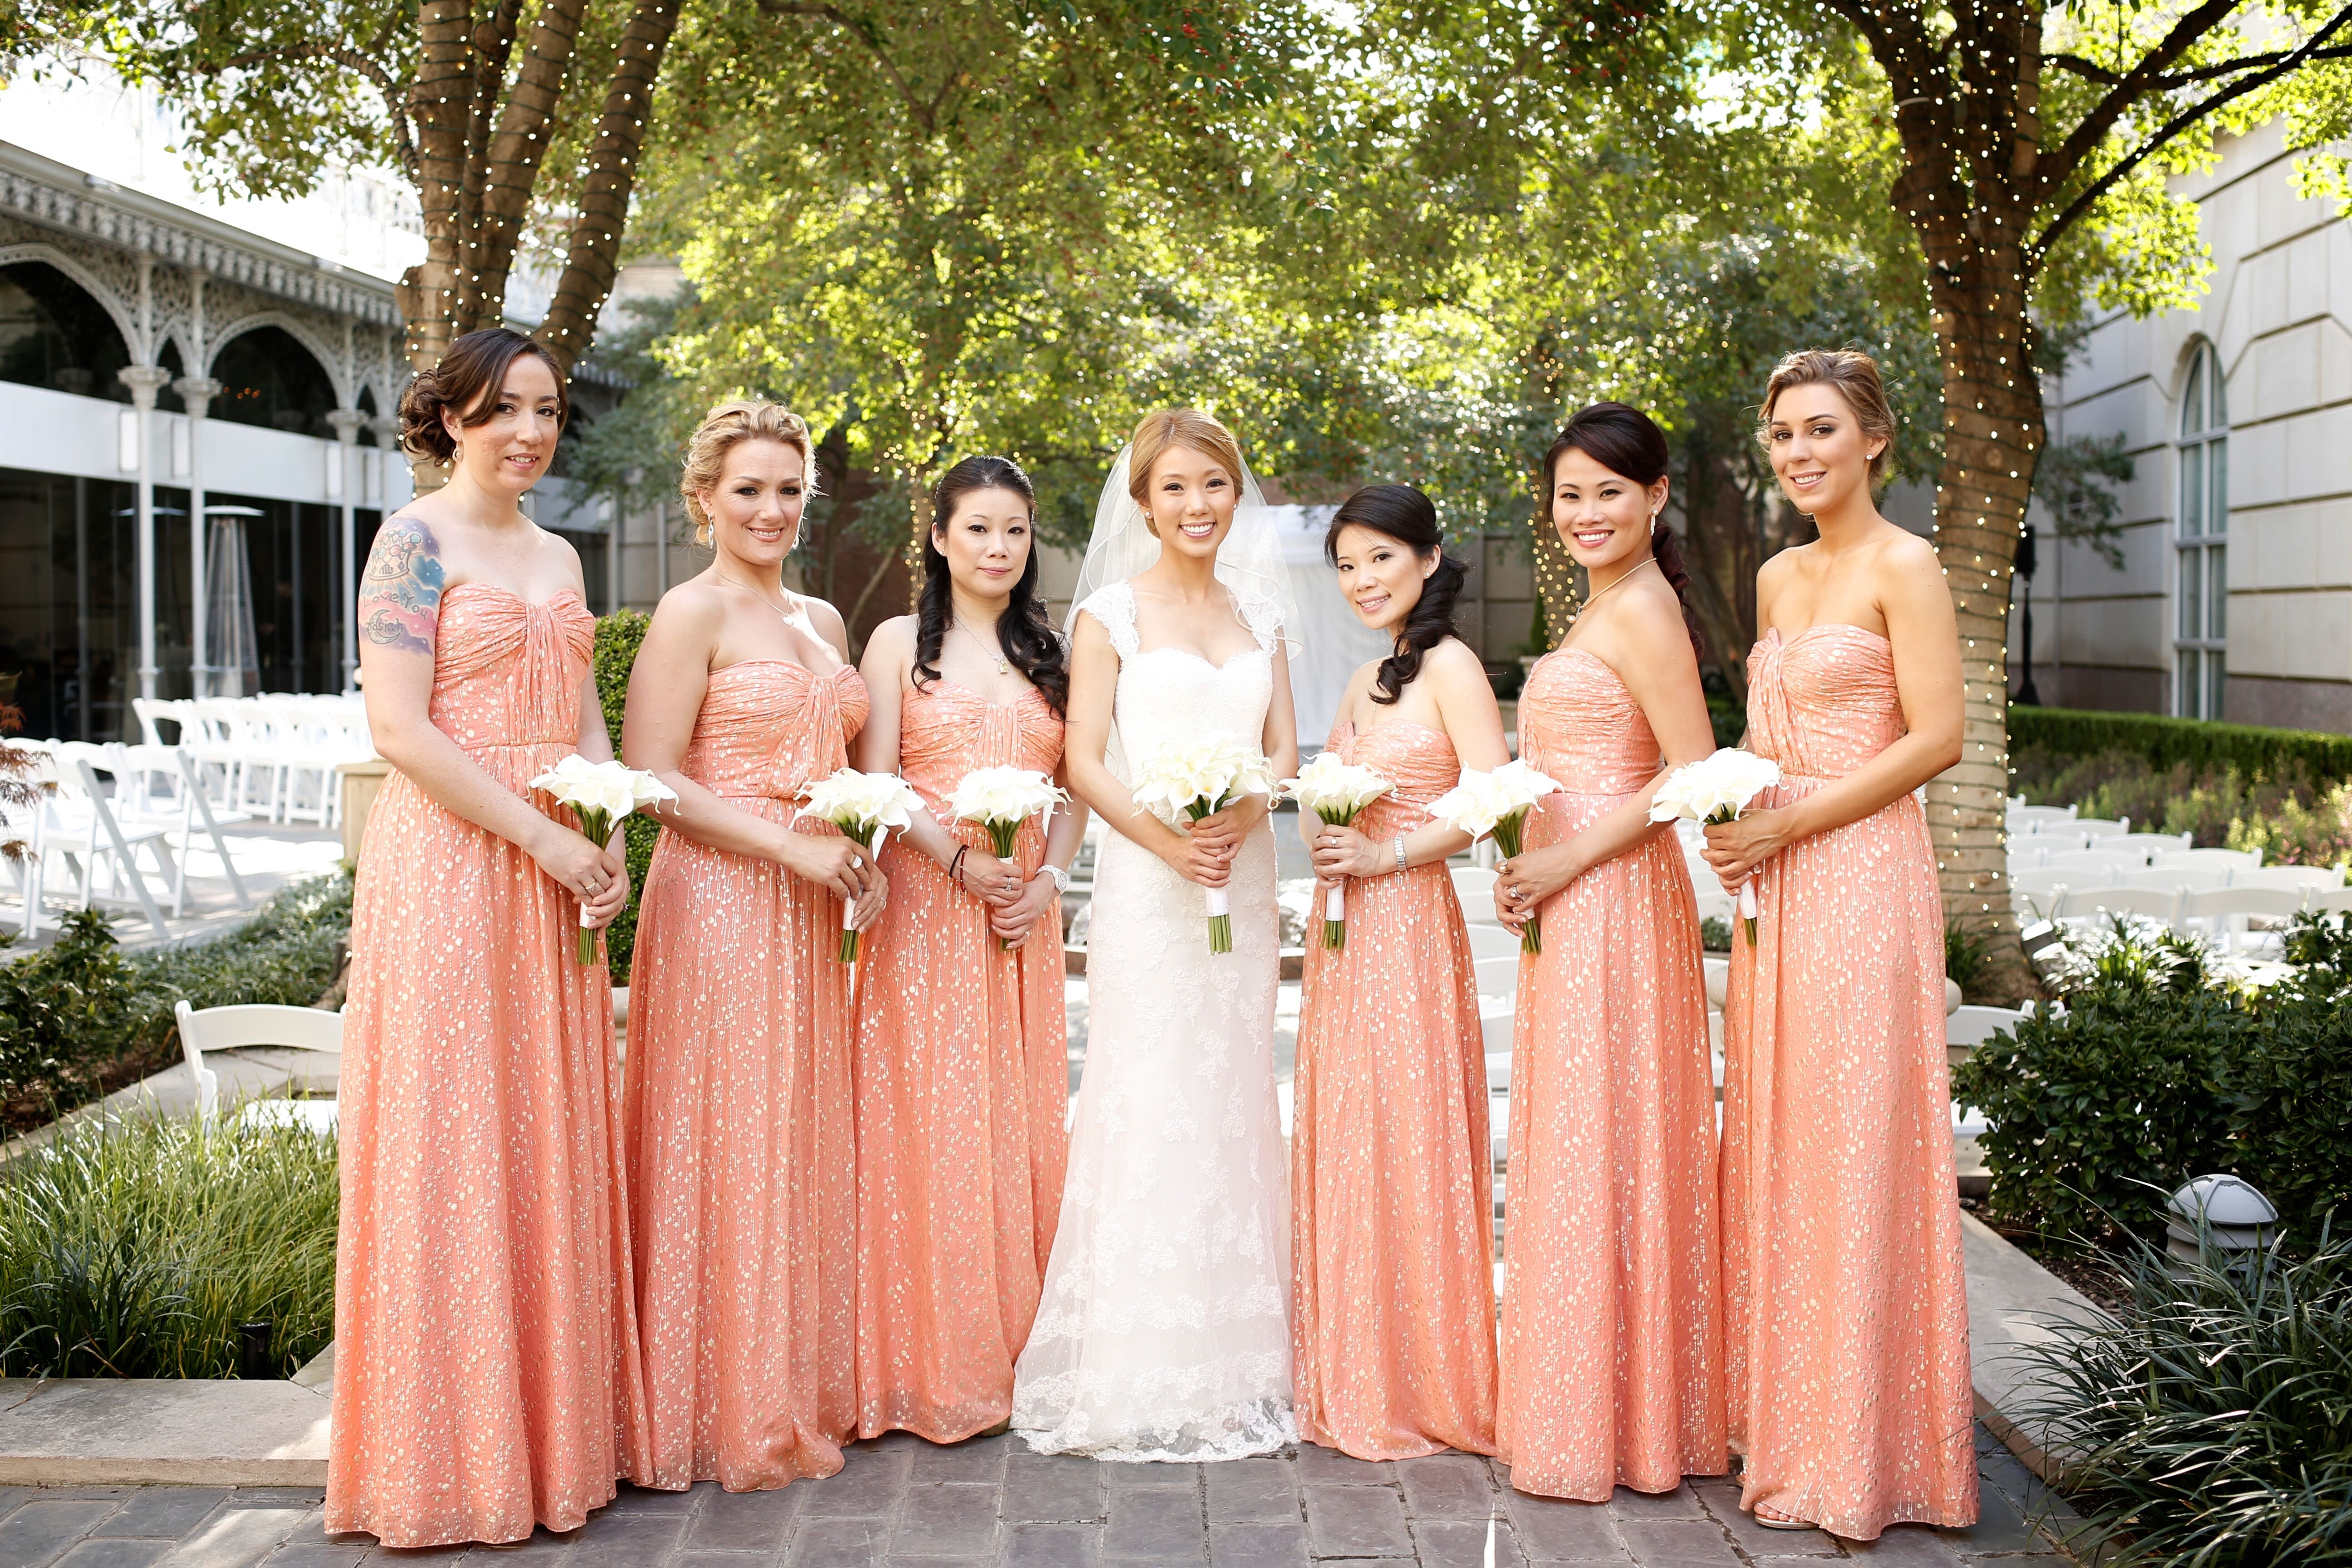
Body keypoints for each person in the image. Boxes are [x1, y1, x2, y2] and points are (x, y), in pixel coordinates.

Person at [329, 326, 648, 1547]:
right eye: (504, 408)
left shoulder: (561, 554)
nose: (530, 430)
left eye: (550, 410)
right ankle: (443, 1463)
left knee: (543, 1133)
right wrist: (547, 838)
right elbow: (401, 732)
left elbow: (586, 719)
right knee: (453, 1137)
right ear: (450, 416)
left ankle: (551, 1444)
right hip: (457, 868)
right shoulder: (410, 544)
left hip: (559, 868)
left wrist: (609, 826)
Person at [1700, 349, 1977, 1539]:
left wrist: (1793, 823)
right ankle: (1792, 1420)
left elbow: (1941, 738)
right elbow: (1768, 732)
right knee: (1786, 1131)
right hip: (1777, 881)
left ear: (1874, 437)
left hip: (1863, 871)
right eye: (1781, 434)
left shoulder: (1906, 566)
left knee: (1859, 1136)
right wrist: (1730, 815)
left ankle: (1871, 1450)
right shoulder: (1773, 577)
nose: (1799, 451)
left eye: (1821, 429)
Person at [1010, 408, 1301, 1461]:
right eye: (1173, 488)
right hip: (1148, 878)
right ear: (1142, 503)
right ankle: (1134, 1360)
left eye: (1213, 485)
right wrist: (1166, 844)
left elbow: (1282, 746)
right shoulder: (1108, 616)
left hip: (1243, 869)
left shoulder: (1261, 612)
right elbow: (1083, 759)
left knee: (1231, 1084)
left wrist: (1247, 806)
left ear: (1236, 494)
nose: (1195, 506)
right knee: (1150, 1088)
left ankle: (1241, 1354)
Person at [619, 400, 884, 1492]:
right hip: (722, 904)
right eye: (747, 490)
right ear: (703, 500)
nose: (770, 509)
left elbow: (845, 763)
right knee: (725, 1142)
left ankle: (786, 1386)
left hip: (811, 909)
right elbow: (654, 778)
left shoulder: (821, 619)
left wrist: (852, 846)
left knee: (793, 1137)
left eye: (787, 490)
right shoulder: (691, 613)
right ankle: (708, 1406)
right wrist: (791, 848)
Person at [1491, 404, 1726, 1499]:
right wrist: (1526, 863)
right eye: (1570, 493)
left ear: (1655, 498)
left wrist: (1564, 861)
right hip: (1571, 900)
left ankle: (1625, 1420)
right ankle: (1585, 1404)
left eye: (1609, 493)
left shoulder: (1644, 612)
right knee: (1581, 1139)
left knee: (1610, 1137)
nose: (1585, 512)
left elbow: (1690, 773)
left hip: (1617, 901)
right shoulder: (1598, 606)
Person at [852, 454, 1088, 1443]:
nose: (998, 548)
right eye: (979, 529)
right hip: (925, 905)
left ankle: (1017, 1339)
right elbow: (876, 779)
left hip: (1017, 920)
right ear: (940, 538)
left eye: (1016, 531)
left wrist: (1045, 883)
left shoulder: (1052, 649)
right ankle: (921, 1355)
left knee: (1011, 1112)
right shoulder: (900, 643)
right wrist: (953, 859)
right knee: (927, 1117)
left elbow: (1078, 784)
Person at [1291, 483, 1507, 1460]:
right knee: (1350, 1130)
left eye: (1379, 556)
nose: (1361, 579)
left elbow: (1491, 801)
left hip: (1410, 919)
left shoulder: (1452, 666)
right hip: (1342, 931)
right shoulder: (1367, 677)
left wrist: (1389, 855)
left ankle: (1424, 1377)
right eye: (1345, 564)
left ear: (1426, 559)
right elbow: (1320, 793)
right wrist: (1323, 826)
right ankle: (1354, 1358)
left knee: (1409, 1129)